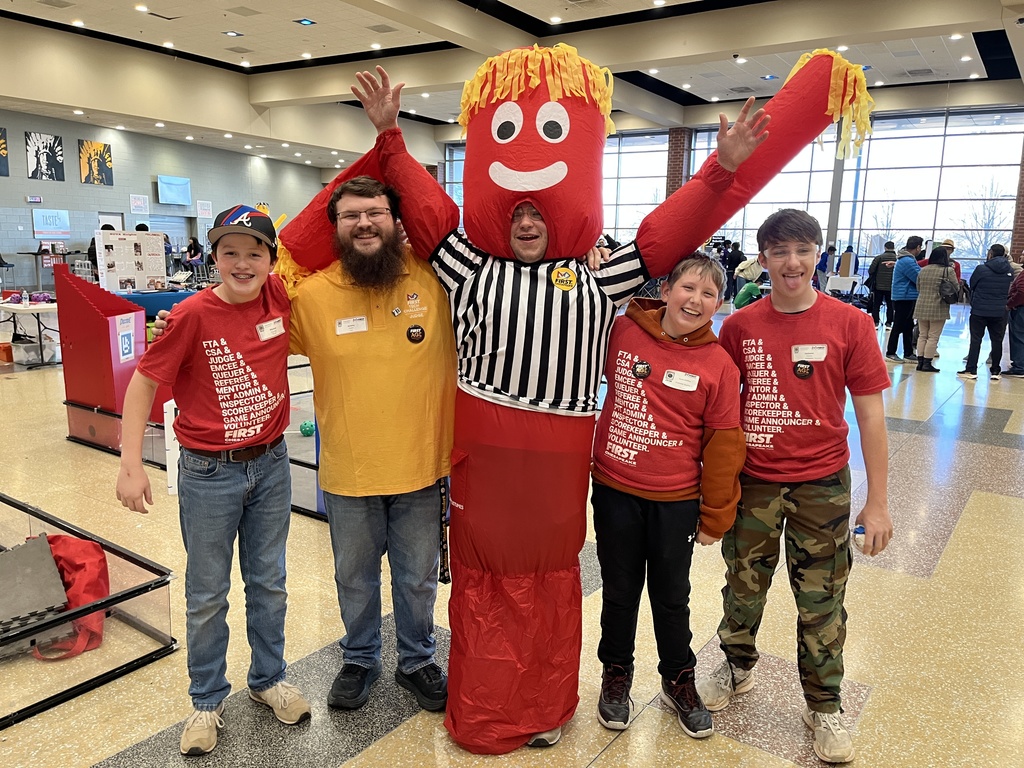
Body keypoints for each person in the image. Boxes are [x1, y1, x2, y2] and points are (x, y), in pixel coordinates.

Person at [350, 52, 772, 754]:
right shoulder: (469, 266)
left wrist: (721, 170)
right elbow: (426, 212)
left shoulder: (599, 276)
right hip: (485, 450)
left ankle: (545, 703)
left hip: (556, 456)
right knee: (485, 574)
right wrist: (391, 137)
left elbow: (669, 232)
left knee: (550, 575)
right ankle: (486, 707)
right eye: (514, 214)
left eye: (536, 215)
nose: (525, 222)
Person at [698, 208, 893, 765]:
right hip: (753, 482)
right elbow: (717, 413)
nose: (792, 263)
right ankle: (737, 665)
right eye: (780, 252)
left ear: (818, 254)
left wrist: (876, 502)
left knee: (823, 599)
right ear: (762, 260)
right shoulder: (737, 327)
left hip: (822, 485)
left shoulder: (850, 323)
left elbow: (872, 417)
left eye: (803, 250)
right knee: (743, 584)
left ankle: (824, 702)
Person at [115, 205, 311, 756]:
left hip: (271, 465)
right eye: (230, 252)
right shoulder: (190, 316)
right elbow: (142, 385)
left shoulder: (280, 299)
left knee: (269, 582)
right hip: (208, 473)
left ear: (273, 261)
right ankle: (206, 700)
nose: (242, 263)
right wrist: (131, 463)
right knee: (207, 593)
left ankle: (269, 678)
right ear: (213, 257)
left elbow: (315, 229)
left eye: (255, 252)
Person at [289, 176, 457, 714]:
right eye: (351, 215)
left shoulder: (435, 284)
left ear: (395, 220)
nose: (365, 223)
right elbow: (248, 326)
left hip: (420, 466)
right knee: (354, 579)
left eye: (376, 212)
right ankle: (359, 658)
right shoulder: (311, 297)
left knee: (416, 580)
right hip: (349, 471)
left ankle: (417, 659)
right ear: (335, 227)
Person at [591, 255, 744, 738]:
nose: (695, 300)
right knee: (618, 591)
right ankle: (615, 676)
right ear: (666, 290)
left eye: (708, 294)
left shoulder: (719, 364)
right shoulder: (622, 333)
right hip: (615, 489)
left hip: (676, 499)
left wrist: (716, 512)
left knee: (672, 596)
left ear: (718, 305)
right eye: (688, 288)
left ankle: (679, 679)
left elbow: (723, 443)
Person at [958, 243, 1014, 381]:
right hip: (999, 311)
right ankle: (995, 370)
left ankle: (971, 369)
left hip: (979, 310)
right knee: (997, 341)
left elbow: (973, 285)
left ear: (991, 253)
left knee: (976, 340)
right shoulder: (1010, 270)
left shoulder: (981, 269)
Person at [913, 246, 952, 373]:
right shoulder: (947, 270)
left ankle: (920, 362)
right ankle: (927, 363)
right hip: (938, 306)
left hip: (921, 305)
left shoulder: (922, 270)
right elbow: (955, 287)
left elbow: (918, 287)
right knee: (933, 336)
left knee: (922, 335)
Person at [885, 236, 923, 362]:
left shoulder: (905, 259)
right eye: (920, 247)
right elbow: (919, 277)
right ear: (917, 247)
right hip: (904, 297)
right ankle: (891, 352)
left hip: (906, 296)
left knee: (908, 325)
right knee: (899, 325)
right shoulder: (908, 260)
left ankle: (908, 352)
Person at [866, 241, 897, 327]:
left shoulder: (879, 258)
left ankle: (876, 322)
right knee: (890, 306)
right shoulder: (897, 259)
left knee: (876, 304)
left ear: (885, 248)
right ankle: (889, 323)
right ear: (893, 247)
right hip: (892, 287)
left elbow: (871, 270)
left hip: (878, 286)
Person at [1003, 263, 1024, 378]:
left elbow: (1021, 292)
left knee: (1018, 337)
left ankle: (1019, 367)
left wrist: (1010, 303)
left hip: (1021, 310)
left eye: (1023, 255)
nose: (1021, 257)